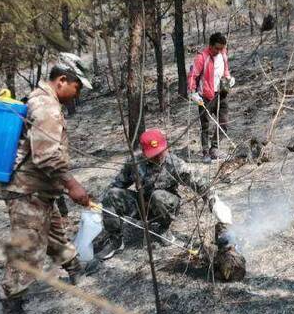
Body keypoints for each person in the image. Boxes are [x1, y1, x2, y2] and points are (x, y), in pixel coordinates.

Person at [0, 52, 95, 314]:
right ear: (63, 80)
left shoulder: (44, 102)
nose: (77, 94)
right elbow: (47, 157)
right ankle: (12, 313)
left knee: (54, 231)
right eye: (78, 87)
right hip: (27, 190)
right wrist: (72, 185)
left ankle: (74, 267)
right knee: (27, 247)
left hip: (40, 189)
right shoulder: (46, 108)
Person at [95, 128, 228, 261]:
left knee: (157, 196)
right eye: (153, 154)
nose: (158, 156)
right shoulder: (134, 162)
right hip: (141, 204)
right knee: (111, 195)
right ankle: (116, 241)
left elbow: (198, 182)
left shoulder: (174, 163)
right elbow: (117, 185)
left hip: (165, 205)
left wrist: (213, 201)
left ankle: (164, 228)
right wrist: (101, 204)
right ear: (143, 152)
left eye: (160, 152)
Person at [187, 32, 235, 163]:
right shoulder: (202, 57)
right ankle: (205, 152)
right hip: (206, 96)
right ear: (210, 46)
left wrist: (229, 79)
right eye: (217, 48)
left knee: (224, 123)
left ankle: (215, 149)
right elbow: (193, 75)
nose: (219, 51)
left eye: (222, 48)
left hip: (222, 94)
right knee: (205, 126)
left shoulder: (223, 55)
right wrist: (193, 93)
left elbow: (225, 71)